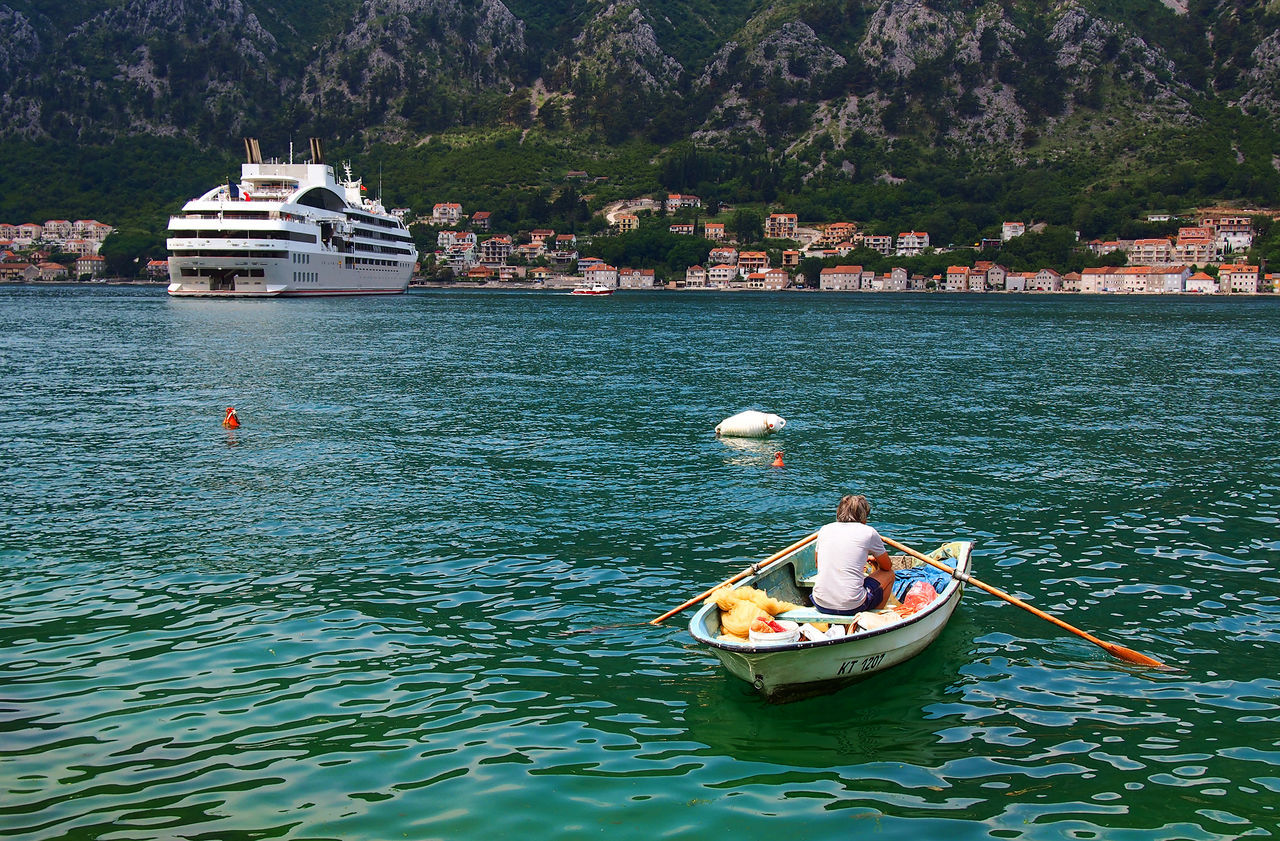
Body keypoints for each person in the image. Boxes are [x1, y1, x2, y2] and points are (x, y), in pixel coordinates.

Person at [811, 494, 894, 613]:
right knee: (889, 574)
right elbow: (887, 566)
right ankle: (874, 617)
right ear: (863, 517)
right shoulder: (868, 532)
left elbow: (818, 565)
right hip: (853, 606)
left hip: (820, 603)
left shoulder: (825, 529)